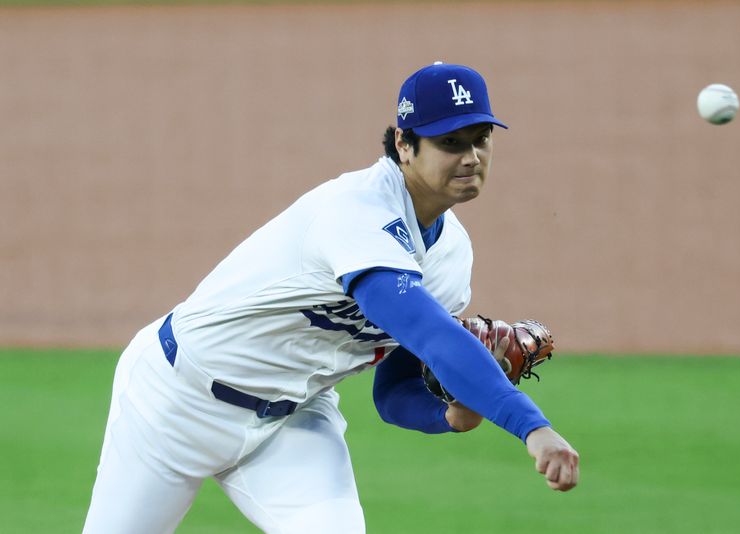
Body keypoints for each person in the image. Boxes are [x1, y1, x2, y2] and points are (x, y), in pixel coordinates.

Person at [83, 61, 579, 534]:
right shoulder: (356, 210)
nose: (471, 157)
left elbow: (394, 391)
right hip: (176, 402)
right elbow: (429, 332)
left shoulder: (452, 259)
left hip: (292, 421)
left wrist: (447, 415)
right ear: (405, 145)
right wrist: (531, 426)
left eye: (481, 139)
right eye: (450, 142)